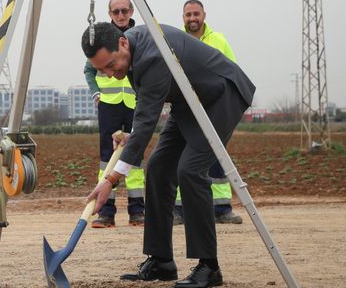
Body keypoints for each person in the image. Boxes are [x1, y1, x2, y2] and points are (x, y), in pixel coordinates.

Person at [82, 22, 255, 288]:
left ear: (123, 43)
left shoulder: (152, 56)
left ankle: (209, 268)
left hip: (221, 95)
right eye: (102, 70)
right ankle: (161, 261)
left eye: (111, 65)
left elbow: (147, 119)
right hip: (188, 100)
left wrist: (111, 179)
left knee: (191, 170)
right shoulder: (131, 53)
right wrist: (132, 136)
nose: (110, 74)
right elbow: (145, 111)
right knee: (159, 167)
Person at [174, 0, 242, 225]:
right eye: (188, 15)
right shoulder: (174, 41)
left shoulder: (218, 40)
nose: (192, 18)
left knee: (217, 156)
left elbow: (232, 70)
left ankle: (222, 208)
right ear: (183, 17)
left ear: (204, 15)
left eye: (196, 14)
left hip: (215, 107)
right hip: (185, 108)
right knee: (182, 157)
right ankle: (180, 210)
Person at [82, 0, 145, 228]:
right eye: (116, 11)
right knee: (107, 157)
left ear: (131, 12)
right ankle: (106, 212)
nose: (120, 15)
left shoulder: (138, 37)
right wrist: (96, 94)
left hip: (134, 104)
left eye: (124, 11)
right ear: (110, 14)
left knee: (135, 154)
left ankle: (137, 210)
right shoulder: (102, 39)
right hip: (109, 105)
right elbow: (89, 70)